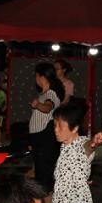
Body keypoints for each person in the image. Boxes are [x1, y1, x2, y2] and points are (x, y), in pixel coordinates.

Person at [28, 62, 64, 192]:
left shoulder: (51, 94)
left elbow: (48, 107)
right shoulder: (43, 94)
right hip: (39, 136)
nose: (35, 79)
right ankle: (43, 199)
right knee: (40, 170)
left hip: (44, 136)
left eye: (36, 75)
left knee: (44, 171)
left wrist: (38, 105)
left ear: (42, 77)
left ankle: (46, 201)